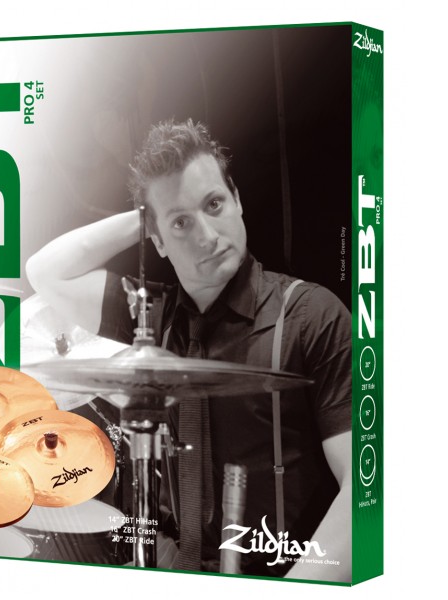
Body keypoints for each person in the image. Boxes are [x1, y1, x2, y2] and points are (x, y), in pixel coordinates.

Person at [26, 119, 351, 581]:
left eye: (214, 204)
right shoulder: (152, 318)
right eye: (181, 223)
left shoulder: (311, 315)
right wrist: (146, 217)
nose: (207, 236)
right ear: (157, 240)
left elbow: (367, 487)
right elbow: (46, 272)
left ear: (237, 200)